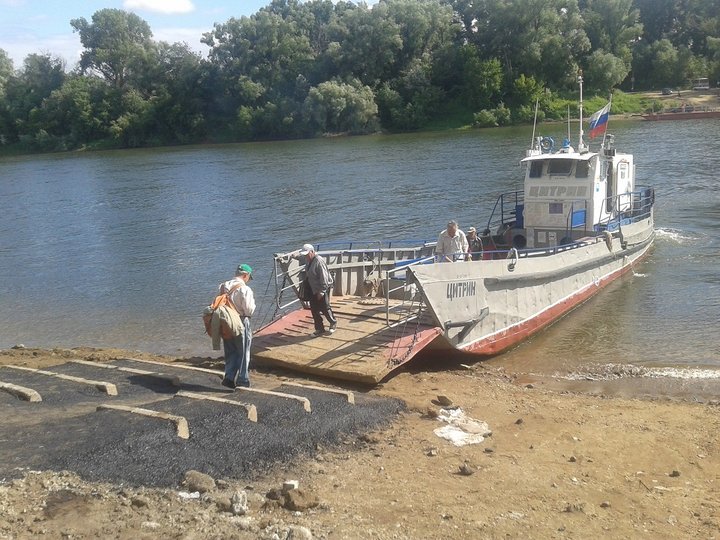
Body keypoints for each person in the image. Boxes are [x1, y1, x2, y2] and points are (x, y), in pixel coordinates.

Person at [218, 263, 255, 389]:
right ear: (245, 275)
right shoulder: (245, 289)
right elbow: (249, 310)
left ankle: (229, 377)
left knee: (230, 350)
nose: (248, 280)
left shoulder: (223, 286)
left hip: (225, 322)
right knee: (244, 351)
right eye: (249, 277)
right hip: (240, 321)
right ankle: (243, 380)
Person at [299, 243, 337, 336]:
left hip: (322, 287)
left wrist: (322, 291)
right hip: (313, 288)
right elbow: (300, 258)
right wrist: (293, 256)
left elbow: (324, 277)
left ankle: (333, 323)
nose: (306, 257)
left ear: (312, 252)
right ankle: (319, 329)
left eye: (307, 254)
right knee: (314, 309)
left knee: (325, 307)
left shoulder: (319, 261)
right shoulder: (308, 260)